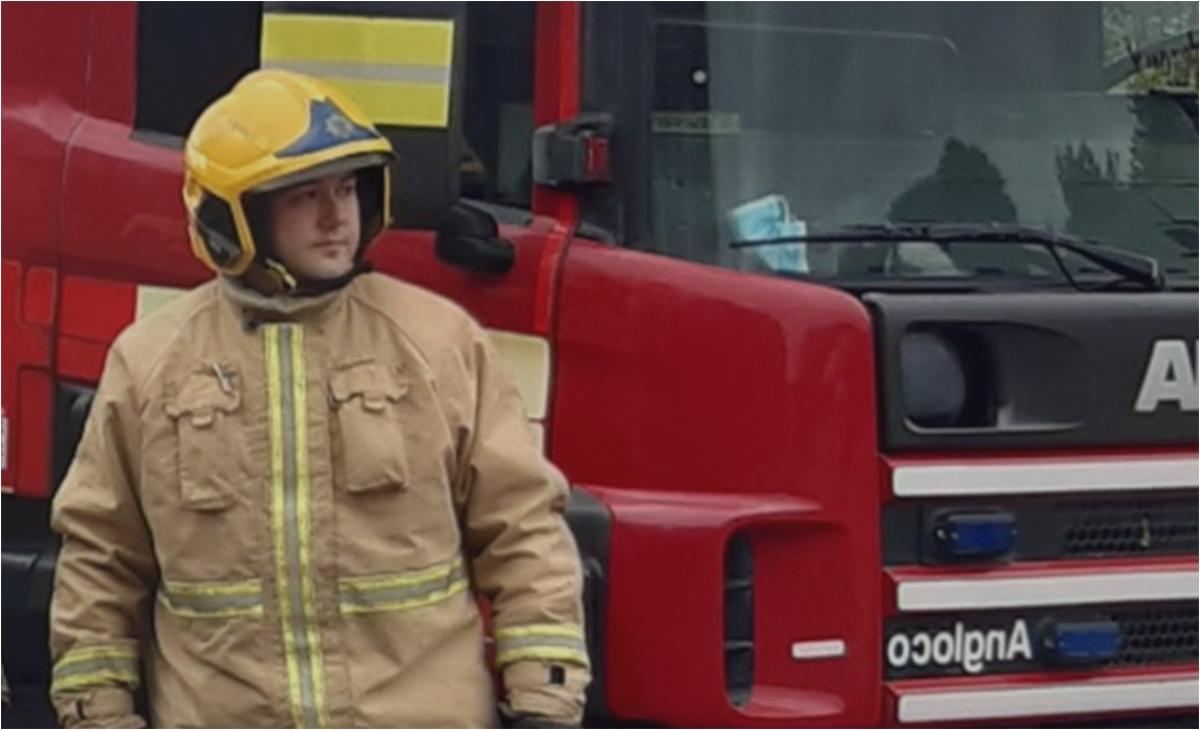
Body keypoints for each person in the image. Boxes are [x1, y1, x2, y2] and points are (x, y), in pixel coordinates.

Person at [48, 69, 590, 729]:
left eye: (346, 189)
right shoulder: (150, 362)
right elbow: (102, 557)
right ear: (233, 215)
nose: (337, 217)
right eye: (305, 196)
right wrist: (98, 713)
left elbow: (522, 528)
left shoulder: (437, 341)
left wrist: (543, 701)